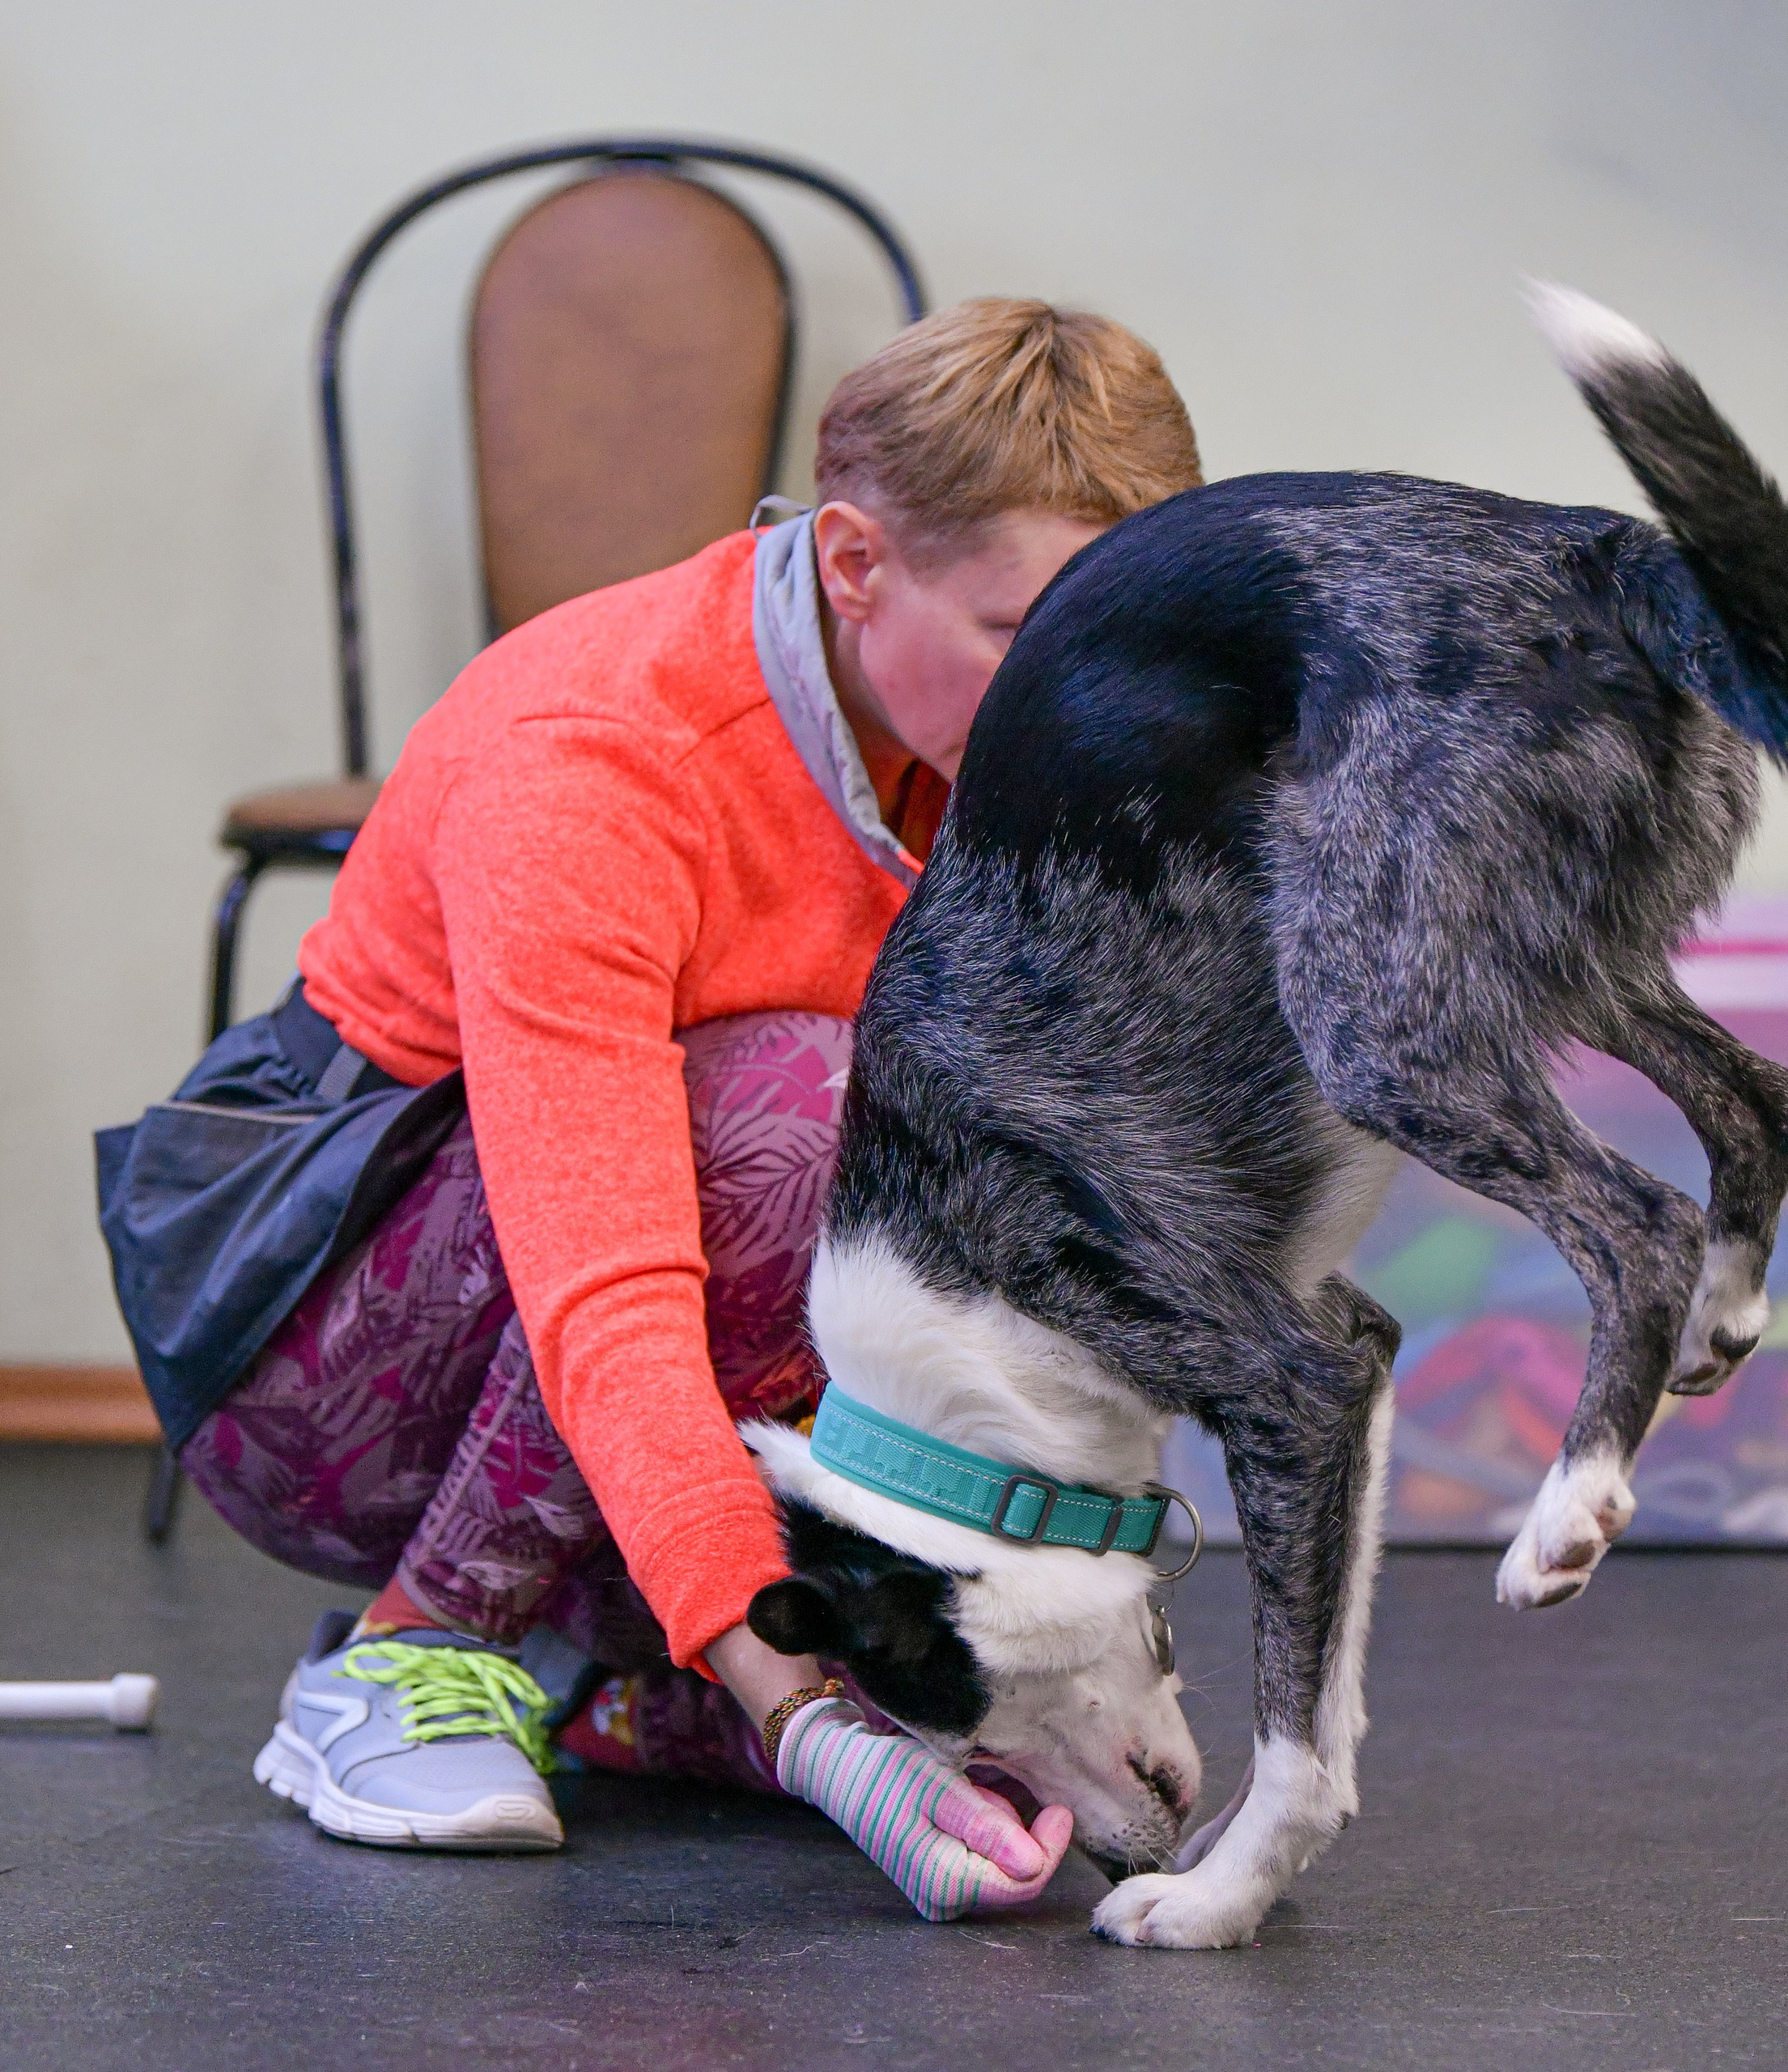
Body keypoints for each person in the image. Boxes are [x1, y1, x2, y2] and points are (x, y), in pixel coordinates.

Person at [97, 298, 1203, 1918]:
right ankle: (419, 1649)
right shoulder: (598, 761)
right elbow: (606, 1289)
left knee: (975, 1144)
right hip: (318, 1350)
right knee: (811, 1110)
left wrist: (950, 1678)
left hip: (633, 1354)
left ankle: (598, 1682)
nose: (1078, 701)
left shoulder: (996, 739)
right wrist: (814, 1726)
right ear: (851, 565)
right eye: (1019, 635)